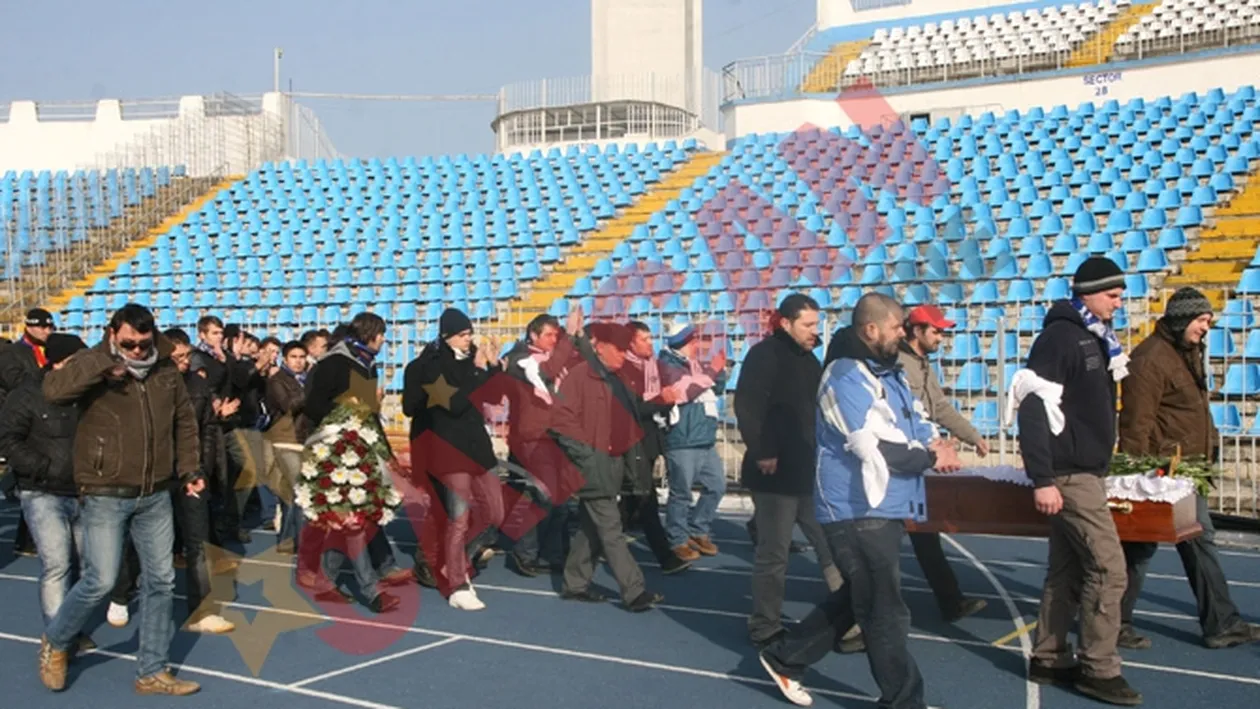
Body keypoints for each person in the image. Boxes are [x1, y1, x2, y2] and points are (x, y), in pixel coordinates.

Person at [759, 293, 961, 708]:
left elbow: (915, 418)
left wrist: (935, 442)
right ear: (871, 329)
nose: (901, 334)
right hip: (853, 508)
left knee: (860, 595)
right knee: (885, 609)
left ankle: (785, 656)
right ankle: (904, 700)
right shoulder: (844, 377)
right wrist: (929, 456)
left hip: (883, 503)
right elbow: (873, 446)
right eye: (895, 328)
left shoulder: (889, 372)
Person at [37, 303, 203, 696]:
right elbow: (53, 391)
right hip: (105, 489)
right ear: (113, 334)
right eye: (128, 343)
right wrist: (98, 368)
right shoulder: (92, 362)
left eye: (144, 344)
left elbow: (183, 421)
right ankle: (57, 641)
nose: (137, 351)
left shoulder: (164, 369)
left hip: (156, 491)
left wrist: (190, 470)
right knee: (100, 580)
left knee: (161, 581)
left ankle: (152, 670)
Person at [1014, 256, 1142, 706]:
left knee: (1067, 569)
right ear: (1087, 293)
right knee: (1109, 568)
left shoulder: (1095, 338)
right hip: (1069, 474)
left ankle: (1048, 654)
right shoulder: (1061, 339)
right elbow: (1031, 407)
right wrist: (1042, 478)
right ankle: (1099, 667)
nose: (1118, 302)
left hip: (1083, 469)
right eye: (1112, 294)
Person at [1117, 287, 1260, 650]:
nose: (1206, 328)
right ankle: (1114, 622)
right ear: (1182, 319)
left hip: (1187, 472)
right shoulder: (1150, 360)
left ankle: (1220, 623)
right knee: (1141, 548)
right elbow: (1136, 424)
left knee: (1193, 542)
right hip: (1161, 475)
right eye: (1201, 320)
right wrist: (1138, 478)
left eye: (1208, 320)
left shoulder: (1186, 352)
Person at [735, 293, 842, 649]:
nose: (815, 331)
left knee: (831, 545)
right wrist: (763, 450)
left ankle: (849, 617)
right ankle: (765, 626)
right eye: (808, 325)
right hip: (774, 475)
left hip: (809, 471)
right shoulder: (763, 355)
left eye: (817, 324)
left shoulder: (810, 360)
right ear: (785, 323)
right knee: (774, 554)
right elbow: (748, 405)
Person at [550, 321, 663, 612]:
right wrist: (585, 455)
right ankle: (634, 590)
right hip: (592, 465)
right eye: (619, 349)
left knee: (592, 527)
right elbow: (559, 421)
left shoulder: (617, 380)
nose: (624, 355)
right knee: (611, 528)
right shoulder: (580, 377)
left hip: (612, 463)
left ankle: (574, 584)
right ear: (600, 348)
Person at [889, 304, 988, 623]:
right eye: (936, 331)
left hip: (918, 458)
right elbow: (905, 413)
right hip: (902, 460)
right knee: (894, 539)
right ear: (917, 331)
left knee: (923, 531)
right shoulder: (899, 365)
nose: (942, 337)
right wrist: (934, 444)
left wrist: (972, 435)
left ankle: (950, 600)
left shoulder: (922, 364)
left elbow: (939, 406)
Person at [301, 312, 405, 613]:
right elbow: (314, 406)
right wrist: (347, 411)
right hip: (334, 452)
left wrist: (386, 453)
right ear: (369, 333)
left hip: (362, 450)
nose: (384, 340)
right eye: (381, 333)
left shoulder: (367, 366)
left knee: (353, 519)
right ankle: (371, 590)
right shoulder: (332, 365)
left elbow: (369, 415)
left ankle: (326, 581)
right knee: (354, 520)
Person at [404, 308, 506, 611]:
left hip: (478, 449)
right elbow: (455, 404)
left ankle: (457, 559)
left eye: (469, 334)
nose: (468, 339)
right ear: (448, 336)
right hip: (449, 451)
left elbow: (494, 395)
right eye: (463, 334)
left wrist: (494, 367)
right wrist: (477, 371)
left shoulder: (471, 363)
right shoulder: (432, 366)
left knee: (495, 513)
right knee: (457, 517)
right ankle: (457, 584)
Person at [0, 333, 96, 651]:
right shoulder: (27, 395)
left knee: (88, 566)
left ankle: (71, 626)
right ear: (59, 362)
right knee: (57, 563)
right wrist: (42, 467)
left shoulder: (88, 394)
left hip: (83, 490)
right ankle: (59, 639)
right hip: (41, 491)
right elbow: (9, 439)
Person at [500, 310, 584, 576]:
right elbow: (546, 373)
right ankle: (524, 552)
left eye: (556, 336)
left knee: (561, 500)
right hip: (534, 437)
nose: (552, 340)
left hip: (558, 435)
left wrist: (578, 338)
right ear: (533, 335)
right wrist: (568, 337)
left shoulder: (556, 356)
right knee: (543, 496)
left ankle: (553, 553)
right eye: (548, 335)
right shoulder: (519, 359)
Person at [617, 321, 690, 574]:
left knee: (629, 500)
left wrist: (666, 401)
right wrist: (663, 402)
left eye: (651, 338)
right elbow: (633, 408)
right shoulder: (624, 370)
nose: (650, 343)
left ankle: (597, 547)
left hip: (649, 438)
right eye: (644, 339)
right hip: (631, 442)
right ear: (630, 343)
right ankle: (665, 557)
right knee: (646, 498)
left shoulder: (652, 368)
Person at [658, 322, 728, 563]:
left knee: (717, 485)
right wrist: (710, 372)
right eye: (695, 341)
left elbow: (716, 388)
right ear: (683, 342)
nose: (700, 345)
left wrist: (717, 370)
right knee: (681, 493)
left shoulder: (695, 364)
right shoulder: (667, 365)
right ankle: (677, 538)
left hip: (704, 438)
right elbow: (686, 391)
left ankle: (698, 529)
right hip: (683, 438)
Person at [265, 340, 311, 554]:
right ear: (285, 359)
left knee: (290, 494)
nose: (299, 362)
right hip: (285, 439)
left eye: (302, 357)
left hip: (304, 439)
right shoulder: (277, 381)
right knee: (300, 491)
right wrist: (310, 391)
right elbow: (288, 406)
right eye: (294, 357)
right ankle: (300, 542)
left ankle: (286, 539)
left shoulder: (308, 379)